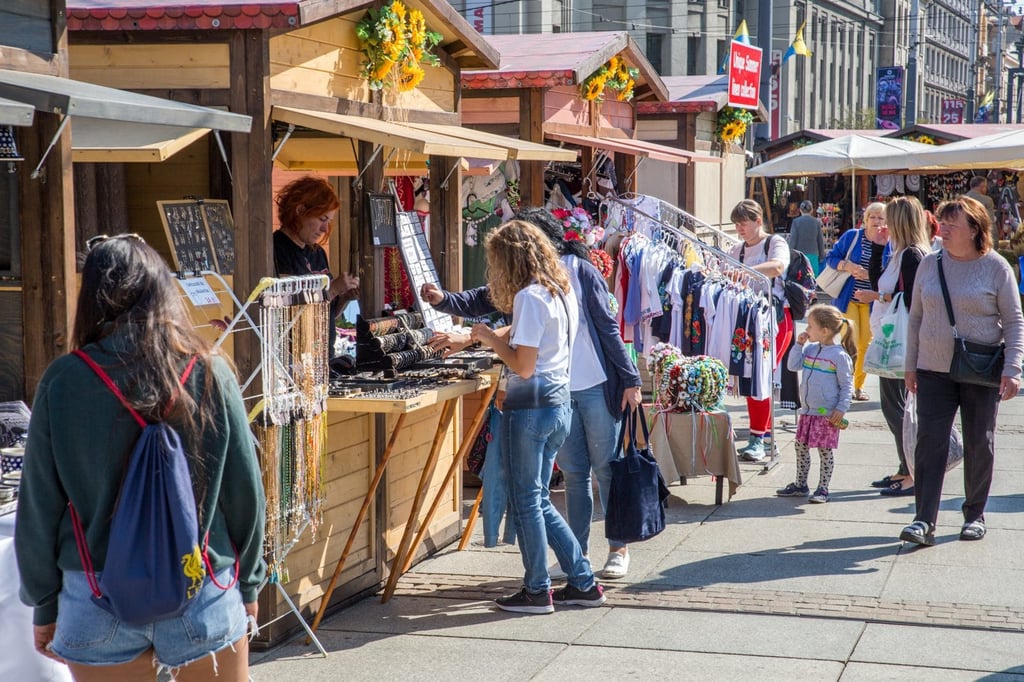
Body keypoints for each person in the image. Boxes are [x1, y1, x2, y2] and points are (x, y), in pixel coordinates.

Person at [15, 234, 266, 681]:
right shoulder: (210, 371)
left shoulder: (63, 380)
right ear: (163, 290)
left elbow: (39, 506)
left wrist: (44, 601)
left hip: (95, 591)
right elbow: (245, 492)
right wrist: (250, 583)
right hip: (202, 583)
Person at [421, 207, 644, 580]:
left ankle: (617, 547)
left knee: (605, 469)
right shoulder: (535, 283)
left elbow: (607, 328)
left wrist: (630, 379)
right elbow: (487, 300)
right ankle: (577, 552)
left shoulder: (574, 272)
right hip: (559, 391)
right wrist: (445, 300)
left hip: (592, 385)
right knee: (574, 474)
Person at [470, 220, 605, 613]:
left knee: (527, 500)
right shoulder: (561, 290)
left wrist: (488, 337)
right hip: (559, 401)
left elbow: (523, 366)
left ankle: (537, 589)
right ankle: (582, 582)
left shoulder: (529, 296)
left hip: (531, 404)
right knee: (539, 498)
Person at [900, 197, 1024, 546]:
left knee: (978, 442)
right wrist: (911, 365)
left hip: (980, 369)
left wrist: (1013, 368)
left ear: (975, 229)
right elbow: (916, 318)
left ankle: (974, 514)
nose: (944, 227)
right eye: (943, 221)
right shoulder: (929, 263)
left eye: (953, 223)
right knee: (930, 443)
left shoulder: (996, 267)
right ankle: (924, 519)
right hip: (933, 369)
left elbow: (1014, 321)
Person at [858, 197, 930, 497]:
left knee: (895, 407)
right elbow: (880, 281)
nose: (883, 224)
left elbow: (911, 301)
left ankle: (912, 470)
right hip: (893, 338)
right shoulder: (900, 252)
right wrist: (877, 247)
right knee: (894, 406)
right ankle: (905, 468)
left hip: (905, 342)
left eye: (888, 219)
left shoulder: (913, 255)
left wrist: (878, 299)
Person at [728, 199, 793, 462]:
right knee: (750, 375)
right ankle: (761, 437)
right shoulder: (736, 249)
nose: (739, 229)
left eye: (743, 223)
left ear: (758, 221)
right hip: (749, 321)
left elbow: (778, 266)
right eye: (736, 224)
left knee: (763, 375)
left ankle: (762, 439)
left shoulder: (774, 243)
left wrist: (745, 272)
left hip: (776, 320)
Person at [273, 176, 360, 359]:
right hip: (295, 356)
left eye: (329, 221)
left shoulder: (317, 252)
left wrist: (344, 297)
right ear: (300, 210)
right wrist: (334, 289)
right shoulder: (277, 248)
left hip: (323, 355)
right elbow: (292, 307)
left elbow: (328, 313)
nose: (325, 229)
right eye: (322, 219)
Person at [776, 304, 855, 503]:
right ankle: (801, 484)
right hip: (808, 411)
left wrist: (841, 408)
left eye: (810, 326)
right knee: (801, 447)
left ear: (825, 331)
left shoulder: (839, 356)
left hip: (826, 413)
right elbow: (792, 365)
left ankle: (823, 489)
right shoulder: (810, 348)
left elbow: (847, 385)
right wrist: (798, 345)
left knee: (824, 451)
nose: (806, 329)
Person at [825, 201, 892, 401]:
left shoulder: (889, 242)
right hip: (849, 299)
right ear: (865, 219)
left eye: (881, 218)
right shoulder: (853, 236)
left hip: (872, 301)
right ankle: (843, 383)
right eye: (873, 217)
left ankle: (858, 386)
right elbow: (831, 258)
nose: (876, 221)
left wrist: (872, 276)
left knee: (866, 344)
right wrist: (849, 267)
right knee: (850, 342)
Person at [788, 200, 827, 274]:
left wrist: (790, 256)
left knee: (800, 280)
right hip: (813, 257)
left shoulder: (796, 222)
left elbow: (793, 240)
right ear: (812, 210)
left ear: (800, 210)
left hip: (799, 257)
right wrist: (822, 256)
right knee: (813, 281)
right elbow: (820, 241)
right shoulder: (816, 222)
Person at [964, 175, 997, 241]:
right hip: (983, 234)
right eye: (985, 186)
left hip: (966, 232)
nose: (986, 189)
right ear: (982, 186)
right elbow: (990, 221)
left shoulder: (962, 199)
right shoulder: (987, 200)